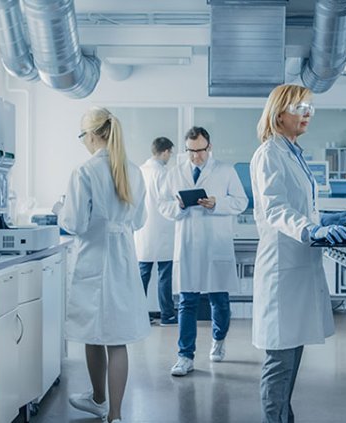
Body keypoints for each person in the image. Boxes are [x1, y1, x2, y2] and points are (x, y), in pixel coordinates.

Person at [250, 84, 346, 423]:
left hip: (298, 267)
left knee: (291, 358)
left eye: (310, 107)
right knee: (279, 363)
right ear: (279, 114)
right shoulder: (269, 154)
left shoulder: (293, 152)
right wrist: (312, 230)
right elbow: (276, 208)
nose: (307, 113)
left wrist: (329, 221)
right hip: (281, 268)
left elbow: (302, 206)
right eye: (300, 107)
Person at [56, 107, 149, 423]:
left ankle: (98, 398)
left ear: (93, 134)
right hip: (122, 259)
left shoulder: (85, 171)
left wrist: (60, 209)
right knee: (116, 338)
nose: (83, 141)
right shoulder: (134, 171)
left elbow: (75, 223)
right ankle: (116, 415)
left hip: (95, 259)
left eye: (83, 135)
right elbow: (139, 220)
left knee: (93, 333)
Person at [157, 126, 248, 377]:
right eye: (190, 151)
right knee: (187, 301)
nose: (196, 156)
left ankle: (219, 340)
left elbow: (241, 202)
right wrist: (178, 206)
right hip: (187, 245)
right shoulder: (175, 173)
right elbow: (162, 205)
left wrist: (218, 203)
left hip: (216, 243)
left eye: (200, 151)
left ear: (209, 147)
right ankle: (185, 356)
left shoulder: (225, 170)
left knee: (219, 299)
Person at [134, 136, 178, 326]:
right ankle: (167, 315)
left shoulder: (139, 171)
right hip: (162, 230)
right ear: (165, 151)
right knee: (165, 275)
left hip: (143, 230)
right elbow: (167, 201)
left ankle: (137, 315)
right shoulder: (164, 173)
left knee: (142, 275)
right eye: (170, 153)